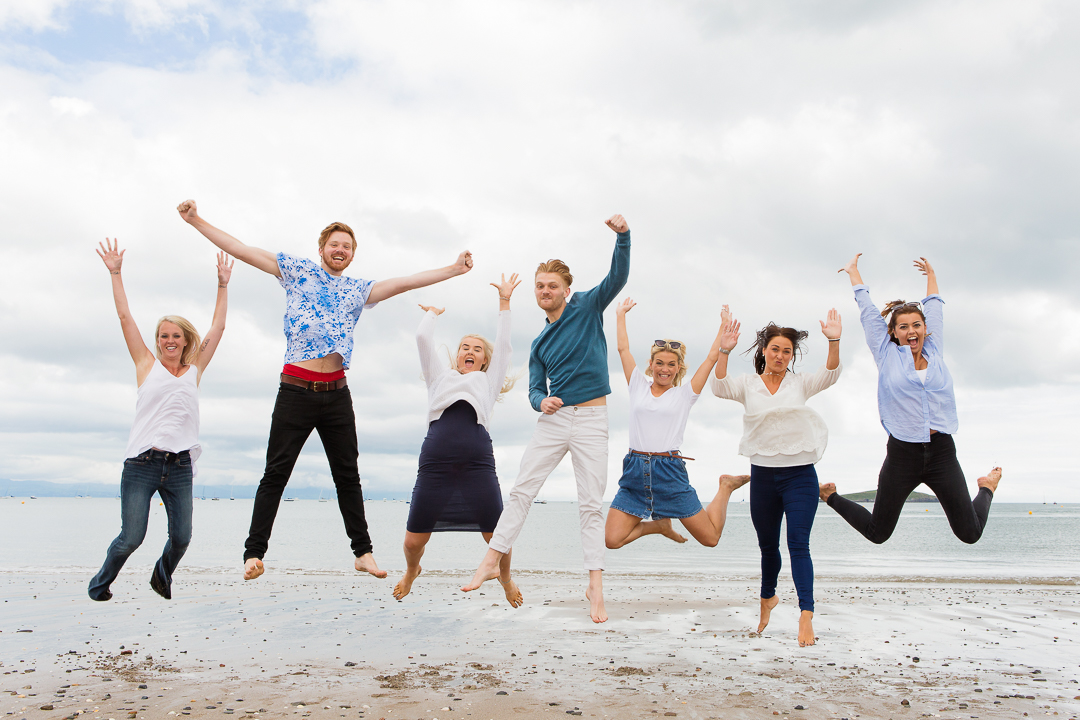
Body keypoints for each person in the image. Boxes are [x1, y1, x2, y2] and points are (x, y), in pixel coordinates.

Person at [176, 199, 473, 582]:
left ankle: (362, 552)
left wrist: (453, 269)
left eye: (347, 247)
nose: (340, 250)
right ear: (322, 249)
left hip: (336, 393)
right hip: (295, 389)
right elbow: (242, 250)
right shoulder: (297, 271)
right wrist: (196, 220)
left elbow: (404, 282)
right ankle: (254, 553)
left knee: (347, 474)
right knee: (275, 474)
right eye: (335, 244)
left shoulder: (357, 290)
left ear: (352, 255)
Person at [462, 215, 631, 623]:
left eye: (551, 286)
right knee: (522, 490)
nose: (544, 291)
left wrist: (623, 237)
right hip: (554, 422)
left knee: (590, 505)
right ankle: (491, 559)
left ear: (566, 290)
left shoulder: (589, 306)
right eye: (539, 286)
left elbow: (617, 276)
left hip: (592, 419)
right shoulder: (538, 342)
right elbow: (534, 388)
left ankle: (595, 585)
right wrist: (542, 404)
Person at [820, 254, 1001, 545]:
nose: (911, 331)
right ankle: (830, 496)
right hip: (903, 453)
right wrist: (855, 276)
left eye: (917, 325)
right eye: (903, 327)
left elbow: (935, 307)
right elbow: (868, 313)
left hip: (941, 450)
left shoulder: (935, 348)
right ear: (894, 332)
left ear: (925, 329)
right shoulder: (886, 353)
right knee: (878, 533)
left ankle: (987, 488)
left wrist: (931, 275)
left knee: (970, 533)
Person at [89, 239, 231, 601]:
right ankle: (101, 583)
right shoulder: (145, 365)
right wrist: (116, 272)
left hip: (181, 464)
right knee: (131, 537)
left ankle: (161, 576)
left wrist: (222, 285)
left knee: (182, 537)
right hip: (142, 463)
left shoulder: (194, 369)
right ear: (158, 340)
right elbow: (125, 318)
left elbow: (218, 328)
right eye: (164, 336)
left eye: (176, 336)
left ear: (186, 341)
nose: (170, 340)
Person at [711, 309, 843, 646]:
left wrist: (834, 340)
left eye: (787, 351)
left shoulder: (800, 383)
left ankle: (806, 615)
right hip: (764, 477)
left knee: (798, 543)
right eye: (775, 349)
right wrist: (723, 349)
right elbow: (719, 387)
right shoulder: (748, 384)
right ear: (764, 352)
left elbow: (830, 374)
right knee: (768, 547)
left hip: (800, 477)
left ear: (792, 355)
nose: (781, 356)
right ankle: (767, 597)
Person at [393, 273, 523, 606]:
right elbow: (423, 338)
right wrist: (432, 312)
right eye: (465, 346)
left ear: (484, 360)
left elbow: (505, 344)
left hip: (477, 465)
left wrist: (504, 301)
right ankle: (412, 571)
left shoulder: (488, 382)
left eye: (477, 349)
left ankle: (505, 577)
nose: (470, 351)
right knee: (411, 542)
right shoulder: (440, 378)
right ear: (458, 355)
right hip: (435, 464)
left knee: (498, 536)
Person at [604, 299, 750, 549]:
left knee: (710, 539)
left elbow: (710, 359)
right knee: (612, 540)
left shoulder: (685, 394)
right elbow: (623, 350)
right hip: (635, 472)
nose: (664, 369)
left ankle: (725, 487)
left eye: (671, 364)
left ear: (678, 368)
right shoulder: (637, 385)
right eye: (659, 363)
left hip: (669, 471)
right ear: (650, 365)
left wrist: (723, 328)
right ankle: (659, 526)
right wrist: (620, 315)